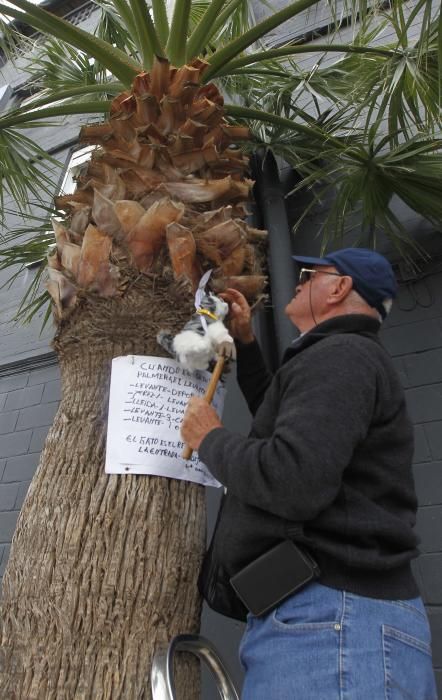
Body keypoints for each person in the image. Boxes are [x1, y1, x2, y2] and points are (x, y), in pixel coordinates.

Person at [181, 248, 438, 700]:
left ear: (338, 288)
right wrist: (245, 341)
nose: (298, 284)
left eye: (309, 275)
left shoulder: (341, 356)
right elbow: (283, 427)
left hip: (333, 625)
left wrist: (210, 439)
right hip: (337, 622)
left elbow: (290, 478)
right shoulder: (345, 358)